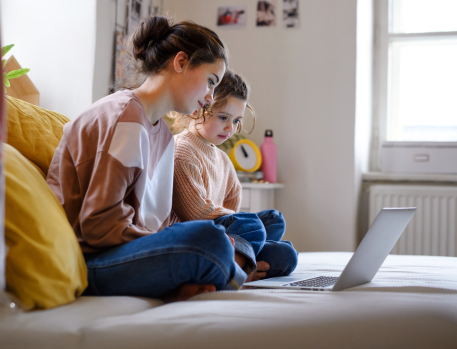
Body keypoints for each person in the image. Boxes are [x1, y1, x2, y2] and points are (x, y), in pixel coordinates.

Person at [46, 15, 249, 302]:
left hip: (128, 250)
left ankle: (221, 272)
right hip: (93, 260)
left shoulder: (162, 134)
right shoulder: (125, 118)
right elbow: (99, 225)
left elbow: (157, 223)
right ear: (180, 62)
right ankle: (233, 271)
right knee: (209, 240)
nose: (210, 97)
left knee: (272, 246)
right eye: (210, 82)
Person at [172, 70, 298, 282]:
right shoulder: (183, 151)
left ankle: (243, 257)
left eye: (237, 121)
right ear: (197, 110)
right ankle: (235, 269)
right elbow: (195, 215)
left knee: (279, 233)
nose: (231, 128)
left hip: (223, 234)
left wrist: (240, 229)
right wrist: (243, 226)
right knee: (255, 228)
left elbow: (233, 205)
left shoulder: (221, 157)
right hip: (198, 234)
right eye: (223, 118)